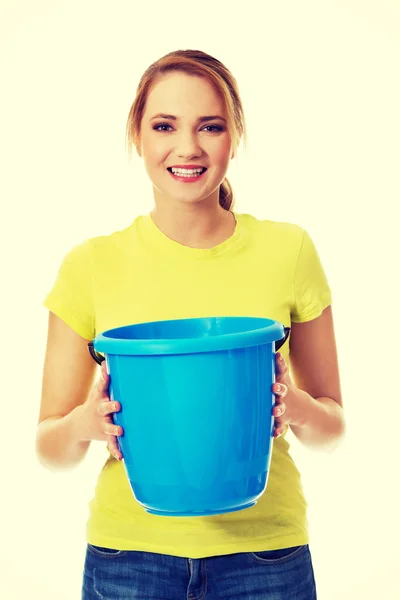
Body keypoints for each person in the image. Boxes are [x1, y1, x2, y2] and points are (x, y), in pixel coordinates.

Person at [36, 49, 345, 600]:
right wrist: (86, 424)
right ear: (138, 136)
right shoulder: (90, 265)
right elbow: (49, 446)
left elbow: (332, 426)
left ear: (233, 137)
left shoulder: (289, 250)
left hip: (265, 555)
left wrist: (292, 406)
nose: (187, 148)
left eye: (210, 127)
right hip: (129, 558)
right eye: (164, 126)